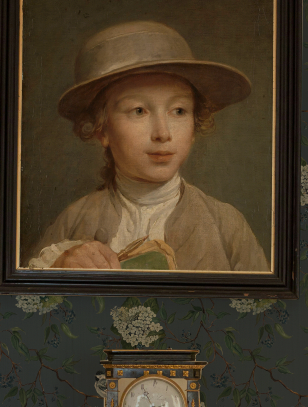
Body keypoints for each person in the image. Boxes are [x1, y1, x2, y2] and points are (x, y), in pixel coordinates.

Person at [25, 21, 269, 272]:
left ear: (195, 126)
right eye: (139, 111)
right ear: (101, 129)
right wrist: (60, 266)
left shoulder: (227, 224)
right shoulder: (73, 220)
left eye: (178, 111)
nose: (163, 133)